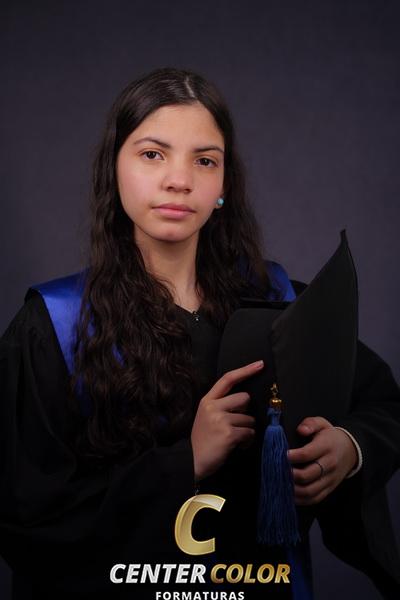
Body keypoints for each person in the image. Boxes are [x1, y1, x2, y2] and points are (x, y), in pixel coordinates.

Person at [0, 67, 399, 600]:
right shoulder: (55, 325)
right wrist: (185, 462)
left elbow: (383, 405)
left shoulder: (282, 304)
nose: (179, 180)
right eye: (152, 154)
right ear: (114, 168)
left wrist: (348, 449)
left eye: (204, 160)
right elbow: (27, 516)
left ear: (223, 185)